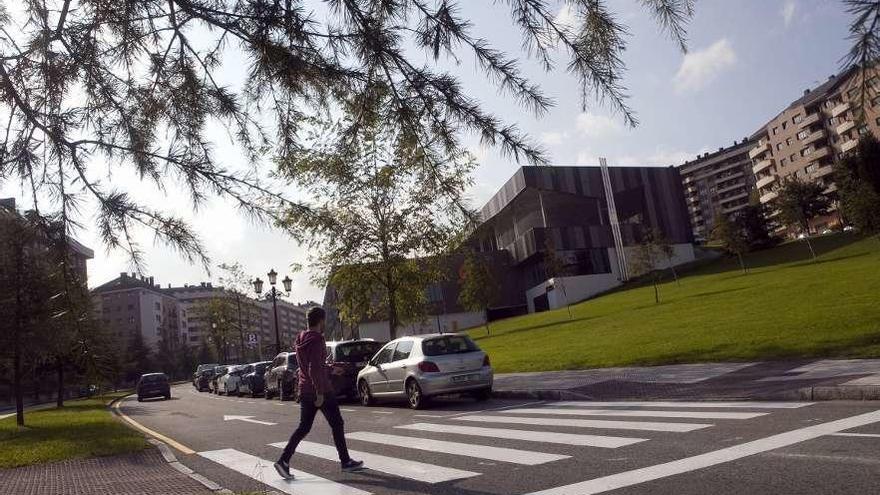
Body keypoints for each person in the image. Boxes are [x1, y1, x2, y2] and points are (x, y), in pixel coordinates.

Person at [274, 307, 364, 479]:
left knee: (304, 427)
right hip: (320, 390)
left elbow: (311, 365)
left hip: (305, 388)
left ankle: (283, 461)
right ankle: (345, 462)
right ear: (321, 320)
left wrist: (330, 369)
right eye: (324, 320)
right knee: (337, 424)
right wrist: (320, 392)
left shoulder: (301, 338)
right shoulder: (316, 339)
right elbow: (314, 368)